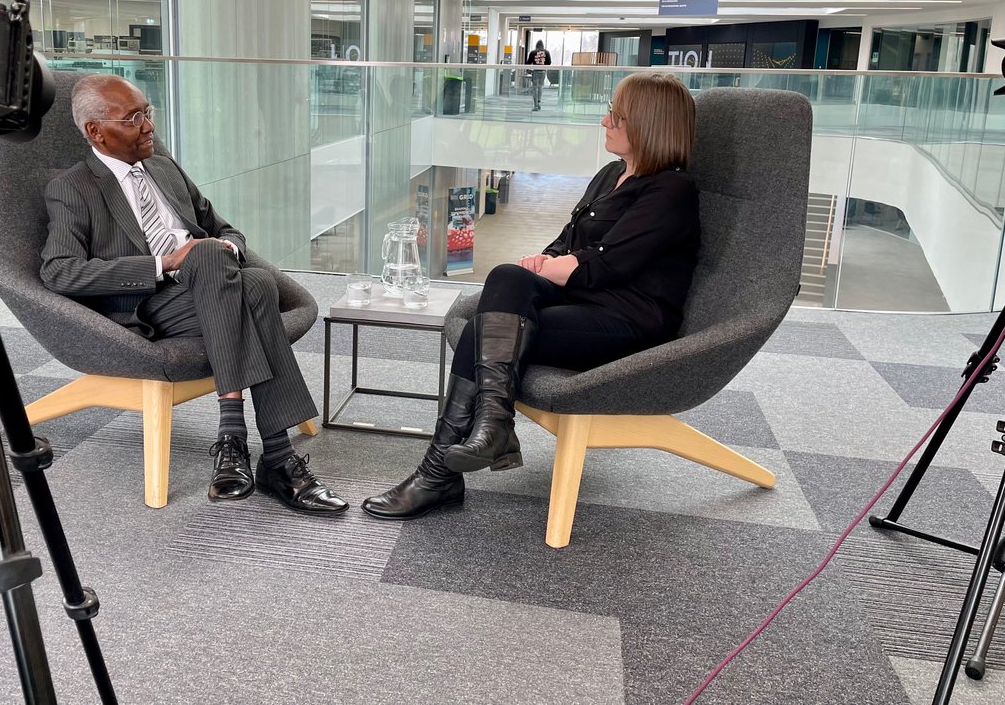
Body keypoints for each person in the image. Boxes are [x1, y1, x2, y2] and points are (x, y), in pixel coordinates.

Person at [363, 72, 700, 520]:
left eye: (616, 116)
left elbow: (605, 264)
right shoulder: (610, 175)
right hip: (583, 301)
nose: (604, 122)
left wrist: (554, 267)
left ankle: (440, 473)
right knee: (507, 276)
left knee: (481, 331)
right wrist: (545, 262)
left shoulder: (672, 191)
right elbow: (566, 242)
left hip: (628, 321)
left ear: (649, 125)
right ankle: (493, 428)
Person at [40, 74, 348, 516]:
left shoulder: (165, 169)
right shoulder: (72, 188)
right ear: (96, 131)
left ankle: (236, 444)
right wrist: (165, 263)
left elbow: (226, 230)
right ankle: (275, 458)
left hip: (213, 287)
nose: (149, 126)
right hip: (151, 302)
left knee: (246, 276)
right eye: (133, 118)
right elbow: (58, 272)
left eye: (148, 113)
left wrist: (227, 249)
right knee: (242, 280)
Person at [525, 40, 552, 111]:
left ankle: (535, 104)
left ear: (536, 45)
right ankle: (539, 101)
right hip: (543, 71)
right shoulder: (547, 52)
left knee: (534, 88)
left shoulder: (533, 52)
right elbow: (549, 62)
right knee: (540, 86)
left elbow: (528, 63)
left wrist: (528, 69)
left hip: (535, 71)